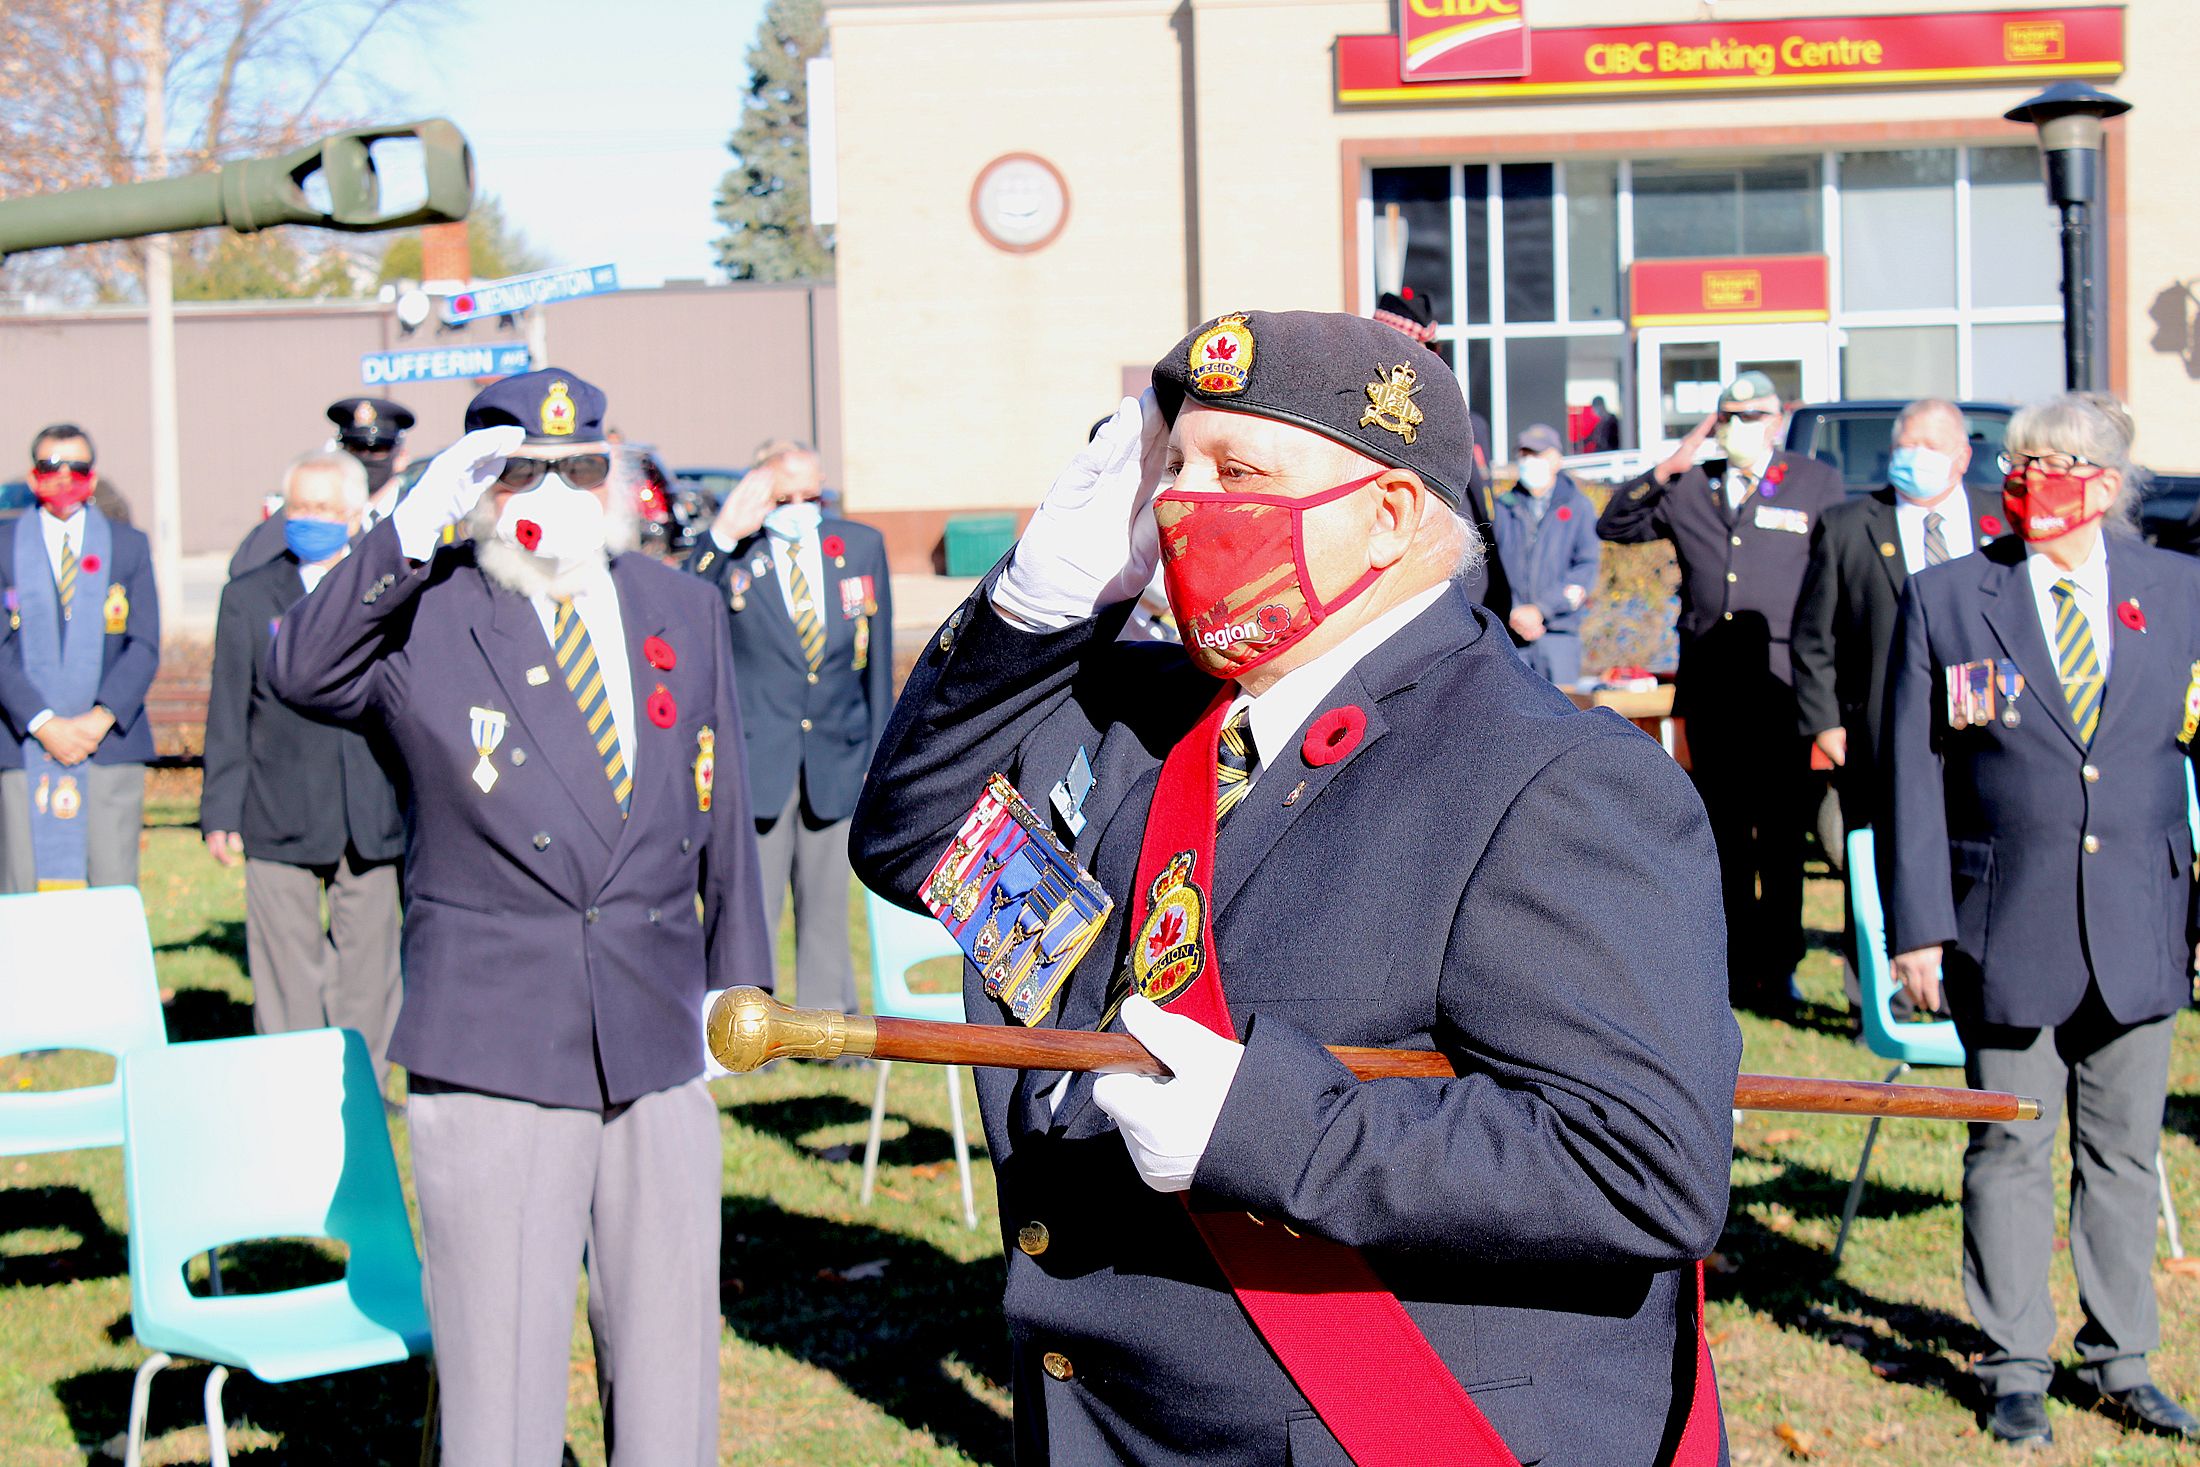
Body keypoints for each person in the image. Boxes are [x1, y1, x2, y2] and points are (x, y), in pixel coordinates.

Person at [851, 311, 1740, 1466]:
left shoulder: (1552, 778)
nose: (1183, 502)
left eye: (1238, 472)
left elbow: (1640, 1168)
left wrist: (1272, 1131)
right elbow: (917, 838)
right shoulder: (1144, 719)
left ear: (1387, 517)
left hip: (1368, 1430)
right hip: (1106, 1426)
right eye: (1172, 468)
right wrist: (1038, 605)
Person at [268, 368, 773, 1463]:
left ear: (613, 474)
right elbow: (299, 672)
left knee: (669, 1366)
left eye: (578, 466)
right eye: (518, 470)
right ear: (476, 483)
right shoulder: (429, 610)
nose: (554, 490)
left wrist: (744, 976)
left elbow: (719, 797)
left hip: (657, 1027)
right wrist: (406, 529)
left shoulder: (675, 605)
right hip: (496, 1039)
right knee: (499, 1384)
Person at [1883, 393, 2200, 1449]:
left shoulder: (2178, 589)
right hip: (2001, 920)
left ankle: (2120, 1361)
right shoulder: (1948, 596)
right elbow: (1912, 778)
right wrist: (1916, 928)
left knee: (2122, 1152)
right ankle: (2013, 1362)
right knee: (2008, 1151)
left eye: (2052, 465)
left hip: (2140, 917)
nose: (2027, 483)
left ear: (2105, 484)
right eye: (2017, 464)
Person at [1598, 372, 1844, 1011]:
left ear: (1777, 419)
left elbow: (1833, 577)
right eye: (1729, 415)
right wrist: (1669, 464)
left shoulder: (1813, 484)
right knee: (1724, 834)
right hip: (1713, 690)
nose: (1740, 426)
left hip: (1780, 685)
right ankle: (1734, 966)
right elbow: (1615, 523)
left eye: (1752, 415)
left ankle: (1780, 965)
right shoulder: (1692, 484)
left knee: (1784, 836)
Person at [1792, 399, 2004, 1021]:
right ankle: (1880, 1001)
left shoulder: (1995, 523)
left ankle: (1966, 991)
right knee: (1883, 857)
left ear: (1963, 457)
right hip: (1879, 734)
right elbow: (1814, 636)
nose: (1912, 458)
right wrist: (1825, 722)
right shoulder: (1851, 524)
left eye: (1929, 447)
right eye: (1903, 445)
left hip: (1982, 730)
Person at [201, 451, 406, 1090]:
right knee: (285, 962)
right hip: (278, 802)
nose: (310, 519)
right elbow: (229, 708)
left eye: (323, 508)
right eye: (299, 507)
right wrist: (219, 811)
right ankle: (290, 1084)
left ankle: (363, 1088)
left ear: (354, 514)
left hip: (368, 805)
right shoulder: (249, 595)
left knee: (370, 963)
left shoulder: (389, 588)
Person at [685, 440, 892, 1016]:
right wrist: (723, 535)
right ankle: (745, 1021)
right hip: (757, 755)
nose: (801, 507)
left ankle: (828, 1024)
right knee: (750, 899)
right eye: (785, 497)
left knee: (826, 900)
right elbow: (681, 606)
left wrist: (879, 752)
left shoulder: (858, 546)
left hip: (836, 750)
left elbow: (876, 664)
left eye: (813, 495)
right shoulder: (733, 552)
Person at [0, 423, 159, 893]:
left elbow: (145, 643)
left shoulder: (129, 545)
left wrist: (99, 718)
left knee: (109, 888)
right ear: (33, 477)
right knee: (23, 890)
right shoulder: (4, 546)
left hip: (108, 745)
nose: (65, 477)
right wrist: (43, 721)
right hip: (22, 742)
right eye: (52, 466)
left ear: (93, 476)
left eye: (78, 467)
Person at [1368, 289, 1510, 619]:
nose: (1431, 361)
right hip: (1406, 595)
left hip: (1470, 592)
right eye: (1421, 351)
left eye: (1432, 351)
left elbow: (1479, 511)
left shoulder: (1467, 423)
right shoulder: (1366, 425)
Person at [230, 396, 416, 577]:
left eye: (377, 450)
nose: (364, 457)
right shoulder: (319, 515)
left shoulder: (417, 512)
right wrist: (304, 498)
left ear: (401, 457)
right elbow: (243, 566)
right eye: (354, 449)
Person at [1492, 422, 1601, 686]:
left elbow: (1585, 569)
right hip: (1510, 636)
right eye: (1525, 454)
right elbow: (1490, 569)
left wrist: (1542, 609)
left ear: (1556, 460)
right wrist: (1516, 612)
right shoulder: (1502, 507)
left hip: (1559, 635)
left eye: (1537, 454)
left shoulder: (1578, 507)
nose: (1530, 461)